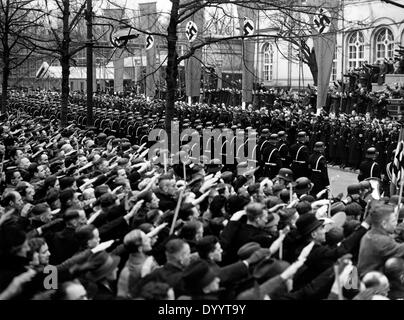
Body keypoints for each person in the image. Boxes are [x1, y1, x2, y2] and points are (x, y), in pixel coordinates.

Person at [358, 202, 404, 277]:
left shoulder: (369, 235)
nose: (396, 223)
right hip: (375, 283)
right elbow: (401, 250)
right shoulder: (382, 241)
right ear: (384, 224)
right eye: (393, 221)